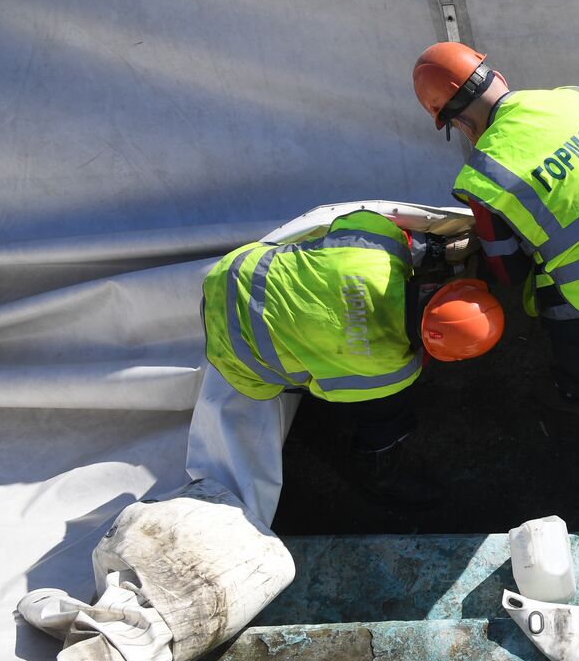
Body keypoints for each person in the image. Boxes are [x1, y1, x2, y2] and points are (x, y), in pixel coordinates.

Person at [412, 42, 579, 417]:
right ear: (499, 78)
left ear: (460, 124)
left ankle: (574, 394)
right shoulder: (578, 98)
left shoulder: (485, 172)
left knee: (577, 345)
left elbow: (510, 271)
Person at [200, 207, 503, 504]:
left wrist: (432, 248)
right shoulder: (392, 373)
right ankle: (378, 470)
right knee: (384, 410)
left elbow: (357, 218)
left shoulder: (377, 250)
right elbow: (321, 389)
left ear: (440, 287)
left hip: (230, 275)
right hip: (234, 355)